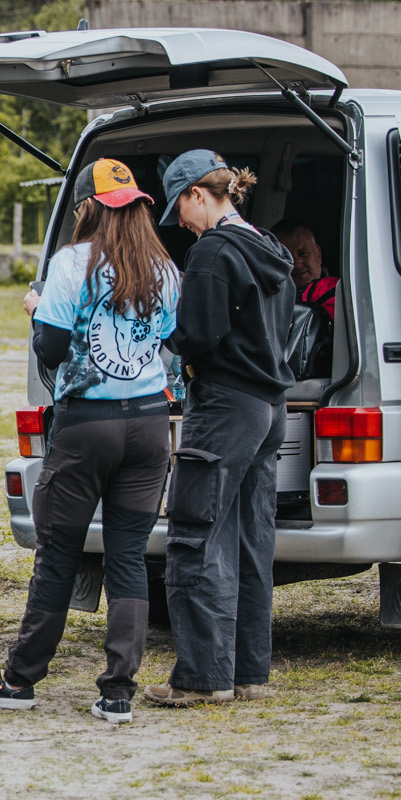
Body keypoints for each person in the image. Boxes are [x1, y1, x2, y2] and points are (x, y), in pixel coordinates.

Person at [0, 159, 180, 724]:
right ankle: (118, 691)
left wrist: (38, 315)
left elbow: (52, 349)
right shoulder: (164, 266)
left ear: (87, 206)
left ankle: (20, 679)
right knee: (130, 556)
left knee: (58, 554)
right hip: (150, 423)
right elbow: (169, 340)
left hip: (87, 425)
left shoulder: (73, 262)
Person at [147, 149, 294, 707]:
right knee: (250, 540)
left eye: (179, 209)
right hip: (269, 405)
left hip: (226, 404)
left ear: (198, 195)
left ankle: (204, 677)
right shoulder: (269, 246)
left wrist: (165, 335)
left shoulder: (212, 253)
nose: (179, 223)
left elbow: (198, 335)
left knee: (196, 534)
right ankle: (249, 672)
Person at [274, 223, 338, 318]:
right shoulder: (267, 304)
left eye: (303, 253)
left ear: (318, 254)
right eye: (287, 258)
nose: (297, 264)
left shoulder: (342, 294)